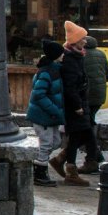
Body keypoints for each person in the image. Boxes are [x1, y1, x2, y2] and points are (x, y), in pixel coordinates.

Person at [51, 21, 97, 187]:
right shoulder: (70, 59)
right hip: (74, 106)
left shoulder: (76, 56)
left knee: (83, 134)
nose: (85, 41)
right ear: (75, 41)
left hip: (80, 103)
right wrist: (77, 105)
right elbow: (71, 87)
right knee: (81, 135)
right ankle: (70, 170)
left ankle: (61, 159)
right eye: (82, 38)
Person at [25, 40, 65, 188]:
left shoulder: (54, 70)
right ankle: (39, 172)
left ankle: (37, 163)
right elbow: (38, 95)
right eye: (61, 53)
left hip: (49, 114)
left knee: (55, 142)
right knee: (47, 143)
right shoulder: (47, 72)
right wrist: (54, 109)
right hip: (43, 114)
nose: (63, 56)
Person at [73, 36, 108, 174]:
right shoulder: (101, 54)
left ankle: (94, 159)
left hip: (86, 96)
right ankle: (95, 158)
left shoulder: (82, 56)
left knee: (86, 127)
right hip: (100, 95)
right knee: (87, 125)